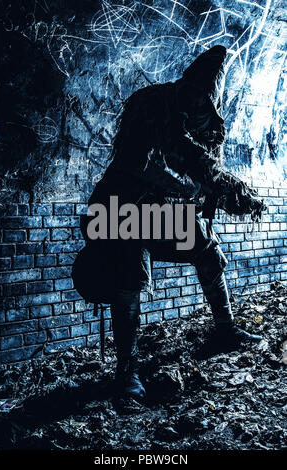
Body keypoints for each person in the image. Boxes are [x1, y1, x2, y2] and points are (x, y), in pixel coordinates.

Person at [77, 45, 267, 402]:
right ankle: (127, 370)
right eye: (193, 95)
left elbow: (206, 167)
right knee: (130, 268)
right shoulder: (149, 104)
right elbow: (138, 163)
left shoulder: (205, 125)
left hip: (160, 212)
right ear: (184, 86)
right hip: (120, 207)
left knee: (206, 245)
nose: (196, 105)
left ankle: (225, 330)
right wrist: (185, 186)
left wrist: (237, 195)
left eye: (203, 101)